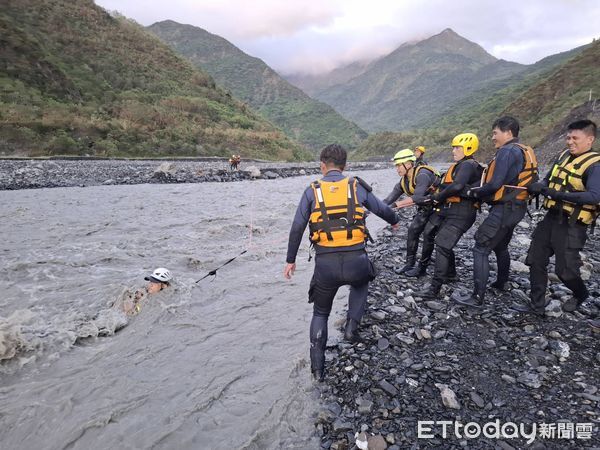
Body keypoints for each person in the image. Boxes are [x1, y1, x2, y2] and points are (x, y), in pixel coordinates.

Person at [283, 144, 399, 381]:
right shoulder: (356, 186)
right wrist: (395, 221)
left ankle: (317, 369)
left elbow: (297, 228)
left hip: (326, 266)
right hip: (356, 260)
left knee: (321, 312)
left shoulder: (311, 191)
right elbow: (382, 209)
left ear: (322, 166)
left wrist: (290, 260)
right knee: (361, 283)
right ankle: (351, 330)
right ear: (345, 166)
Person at [512, 119, 600, 316]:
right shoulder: (563, 156)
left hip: (572, 225)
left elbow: (595, 196)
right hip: (550, 219)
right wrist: (540, 186)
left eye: (575, 138)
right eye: (568, 137)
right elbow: (548, 178)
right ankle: (536, 306)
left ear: (590, 139)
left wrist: (558, 194)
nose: (570, 142)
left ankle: (581, 293)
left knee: (565, 271)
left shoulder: (595, 165)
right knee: (535, 260)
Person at [454, 116, 538, 307]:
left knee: (480, 247)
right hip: (518, 208)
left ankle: (477, 297)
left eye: (495, 133)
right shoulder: (522, 150)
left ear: (508, 133)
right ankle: (501, 282)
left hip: (504, 209)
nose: (492, 137)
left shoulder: (506, 151)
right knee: (500, 246)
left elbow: (495, 184)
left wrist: (471, 192)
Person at [421, 133, 483, 300]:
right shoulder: (462, 165)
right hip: (453, 210)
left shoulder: (468, 165)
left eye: (457, 147)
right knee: (443, 242)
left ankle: (435, 288)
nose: (454, 150)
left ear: (468, 148)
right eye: (453, 147)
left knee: (442, 244)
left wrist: (436, 198)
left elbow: (457, 186)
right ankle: (450, 274)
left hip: (462, 212)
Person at [384, 148, 441, 277]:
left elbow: (417, 197)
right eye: (396, 165)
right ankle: (409, 264)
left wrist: (395, 205)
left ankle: (422, 269)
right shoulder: (403, 181)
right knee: (413, 231)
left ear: (409, 164)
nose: (397, 168)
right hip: (426, 209)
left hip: (440, 208)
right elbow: (388, 199)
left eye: (399, 165)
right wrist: (370, 209)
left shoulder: (423, 174)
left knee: (429, 235)